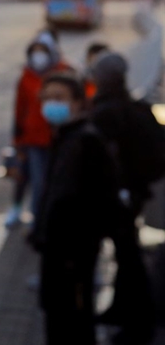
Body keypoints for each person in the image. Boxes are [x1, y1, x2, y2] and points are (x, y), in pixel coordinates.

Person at [29, 73, 122, 345]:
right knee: (58, 319)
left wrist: (74, 251)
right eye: (46, 98)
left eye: (59, 98)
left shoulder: (86, 141)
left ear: (80, 103)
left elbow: (95, 203)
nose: (50, 104)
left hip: (72, 256)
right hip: (57, 252)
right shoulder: (65, 137)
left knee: (73, 323)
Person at [90, 52, 158, 344]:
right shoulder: (132, 106)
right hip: (132, 194)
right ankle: (120, 310)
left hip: (120, 198)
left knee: (129, 257)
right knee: (125, 253)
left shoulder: (108, 112)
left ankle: (138, 324)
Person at [5, 34, 73, 228]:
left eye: (42, 52)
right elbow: (19, 109)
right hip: (34, 139)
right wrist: (18, 139)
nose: (38, 56)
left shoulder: (64, 72)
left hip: (59, 139)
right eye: (35, 52)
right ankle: (39, 222)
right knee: (38, 183)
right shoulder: (26, 77)